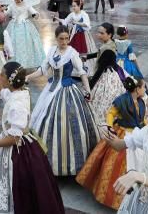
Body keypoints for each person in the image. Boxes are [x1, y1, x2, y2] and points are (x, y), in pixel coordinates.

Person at [0, 61, 66, 214]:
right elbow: (2, 92)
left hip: (17, 149)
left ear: (9, 79)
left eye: (2, 75)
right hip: (21, 140)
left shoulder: (17, 105)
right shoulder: (21, 92)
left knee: (18, 188)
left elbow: (15, 139)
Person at [27, 25, 99, 176]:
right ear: (56, 38)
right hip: (51, 90)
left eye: (67, 38)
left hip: (67, 90)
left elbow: (82, 73)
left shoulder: (72, 53)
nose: (65, 41)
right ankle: (48, 161)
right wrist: (27, 77)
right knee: (44, 118)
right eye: (61, 39)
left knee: (71, 122)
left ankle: (73, 164)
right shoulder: (52, 51)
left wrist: (88, 90)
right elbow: (42, 70)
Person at [76, 75, 147, 209]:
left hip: (137, 133)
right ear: (137, 89)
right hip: (122, 133)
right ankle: (112, 197)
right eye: (143, 87)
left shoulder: (141, 102)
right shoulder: (122, 100)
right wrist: (109, 127)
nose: (145, 90)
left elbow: (143, 119)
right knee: (115, 164)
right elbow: (111, 113)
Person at [5, 0, 45, 69]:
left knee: (27, 44)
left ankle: (25, 62)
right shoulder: (11, 5)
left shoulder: (27, 5)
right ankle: (13, 62)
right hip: (13, 26)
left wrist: (35, 14)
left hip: (25, 27)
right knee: (12, 43)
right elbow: (6, 13)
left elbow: (35, 12)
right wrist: (3, 11)